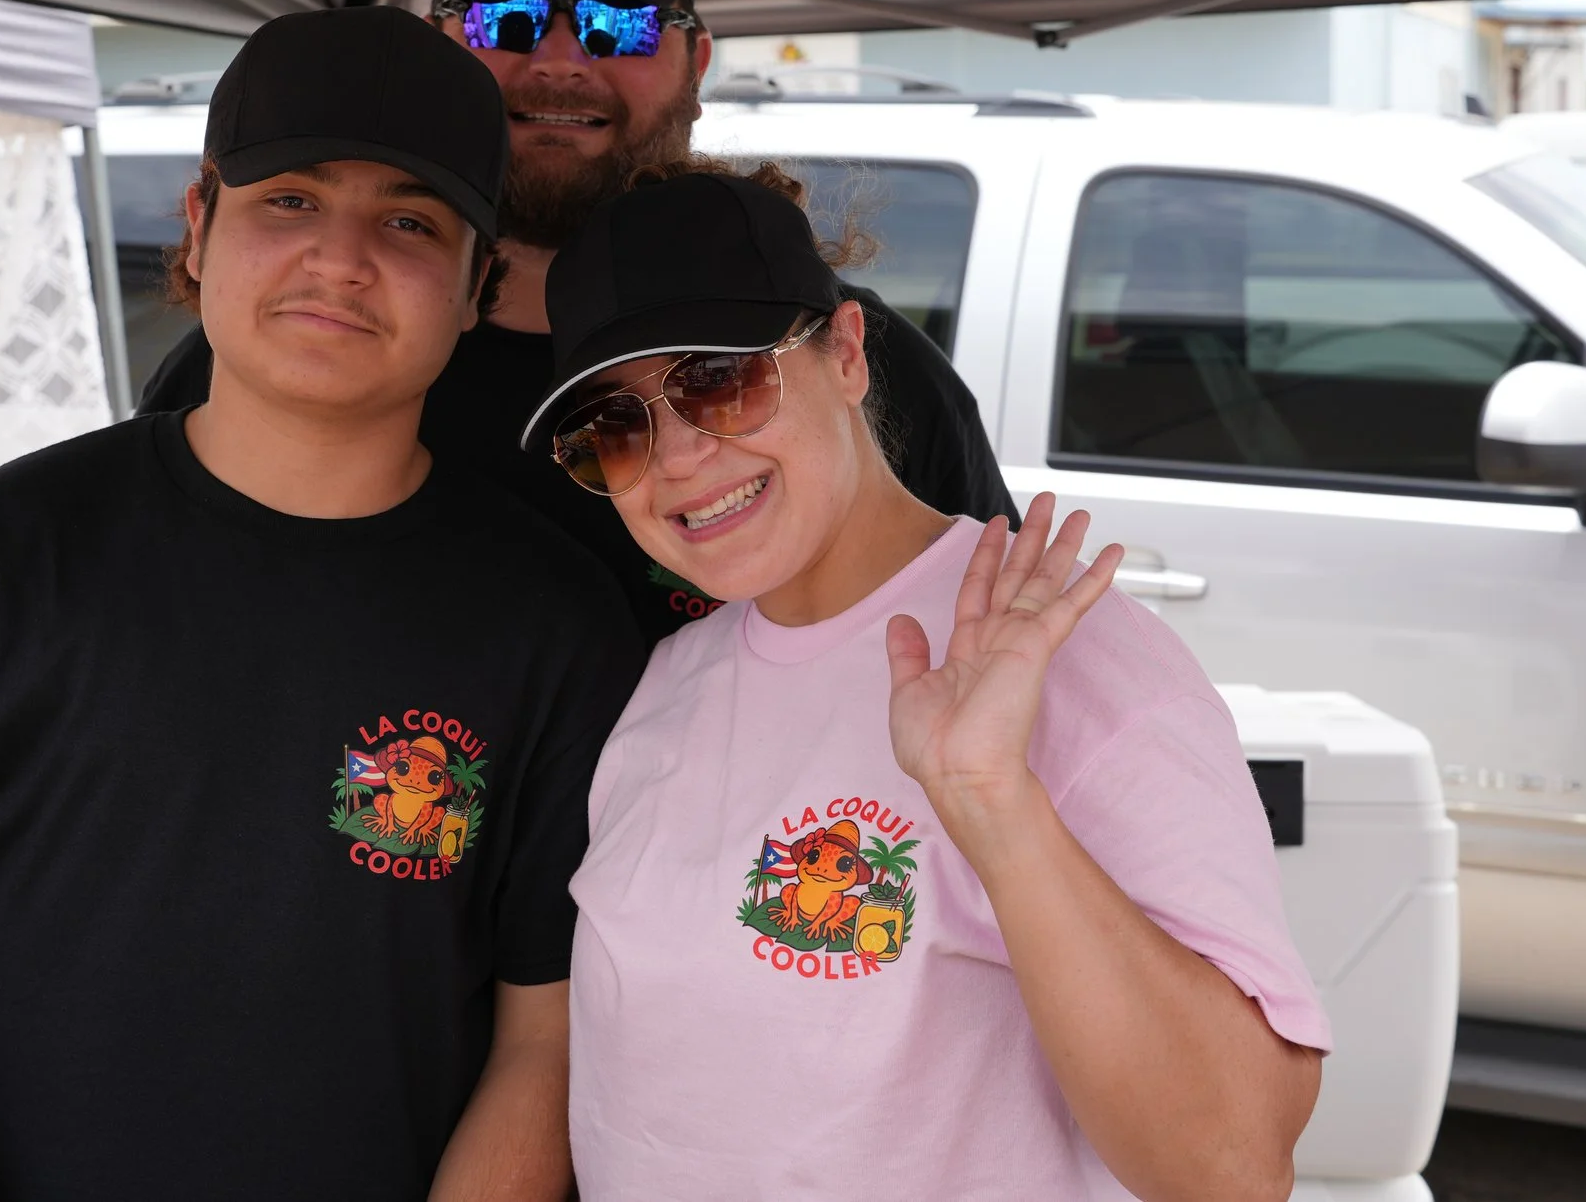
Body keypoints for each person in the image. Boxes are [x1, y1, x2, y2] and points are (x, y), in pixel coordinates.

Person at [0, 0, 1012, 775]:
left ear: (695, 59)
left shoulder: (833, 372)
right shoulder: (309, 344)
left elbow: (1000, 682)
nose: (560, 61)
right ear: (445, 39)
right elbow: (137, 614)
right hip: (360, 1031)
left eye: (618, 23)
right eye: (507, 19)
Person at [0, 8, 640, 1202]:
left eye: (407, 220)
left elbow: (543, 1045)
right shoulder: (3, 548)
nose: (339, 258)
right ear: (196, 229)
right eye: (288, 198)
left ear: (477, 286)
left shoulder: (555, 620)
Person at [529, 165, 1328, 1201]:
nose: (678, 455)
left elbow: (1229, 1166)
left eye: (719, 378)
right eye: (618, 425)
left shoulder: (1070, 657)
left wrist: (992, 798)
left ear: (848, 353)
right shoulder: (668, 682)